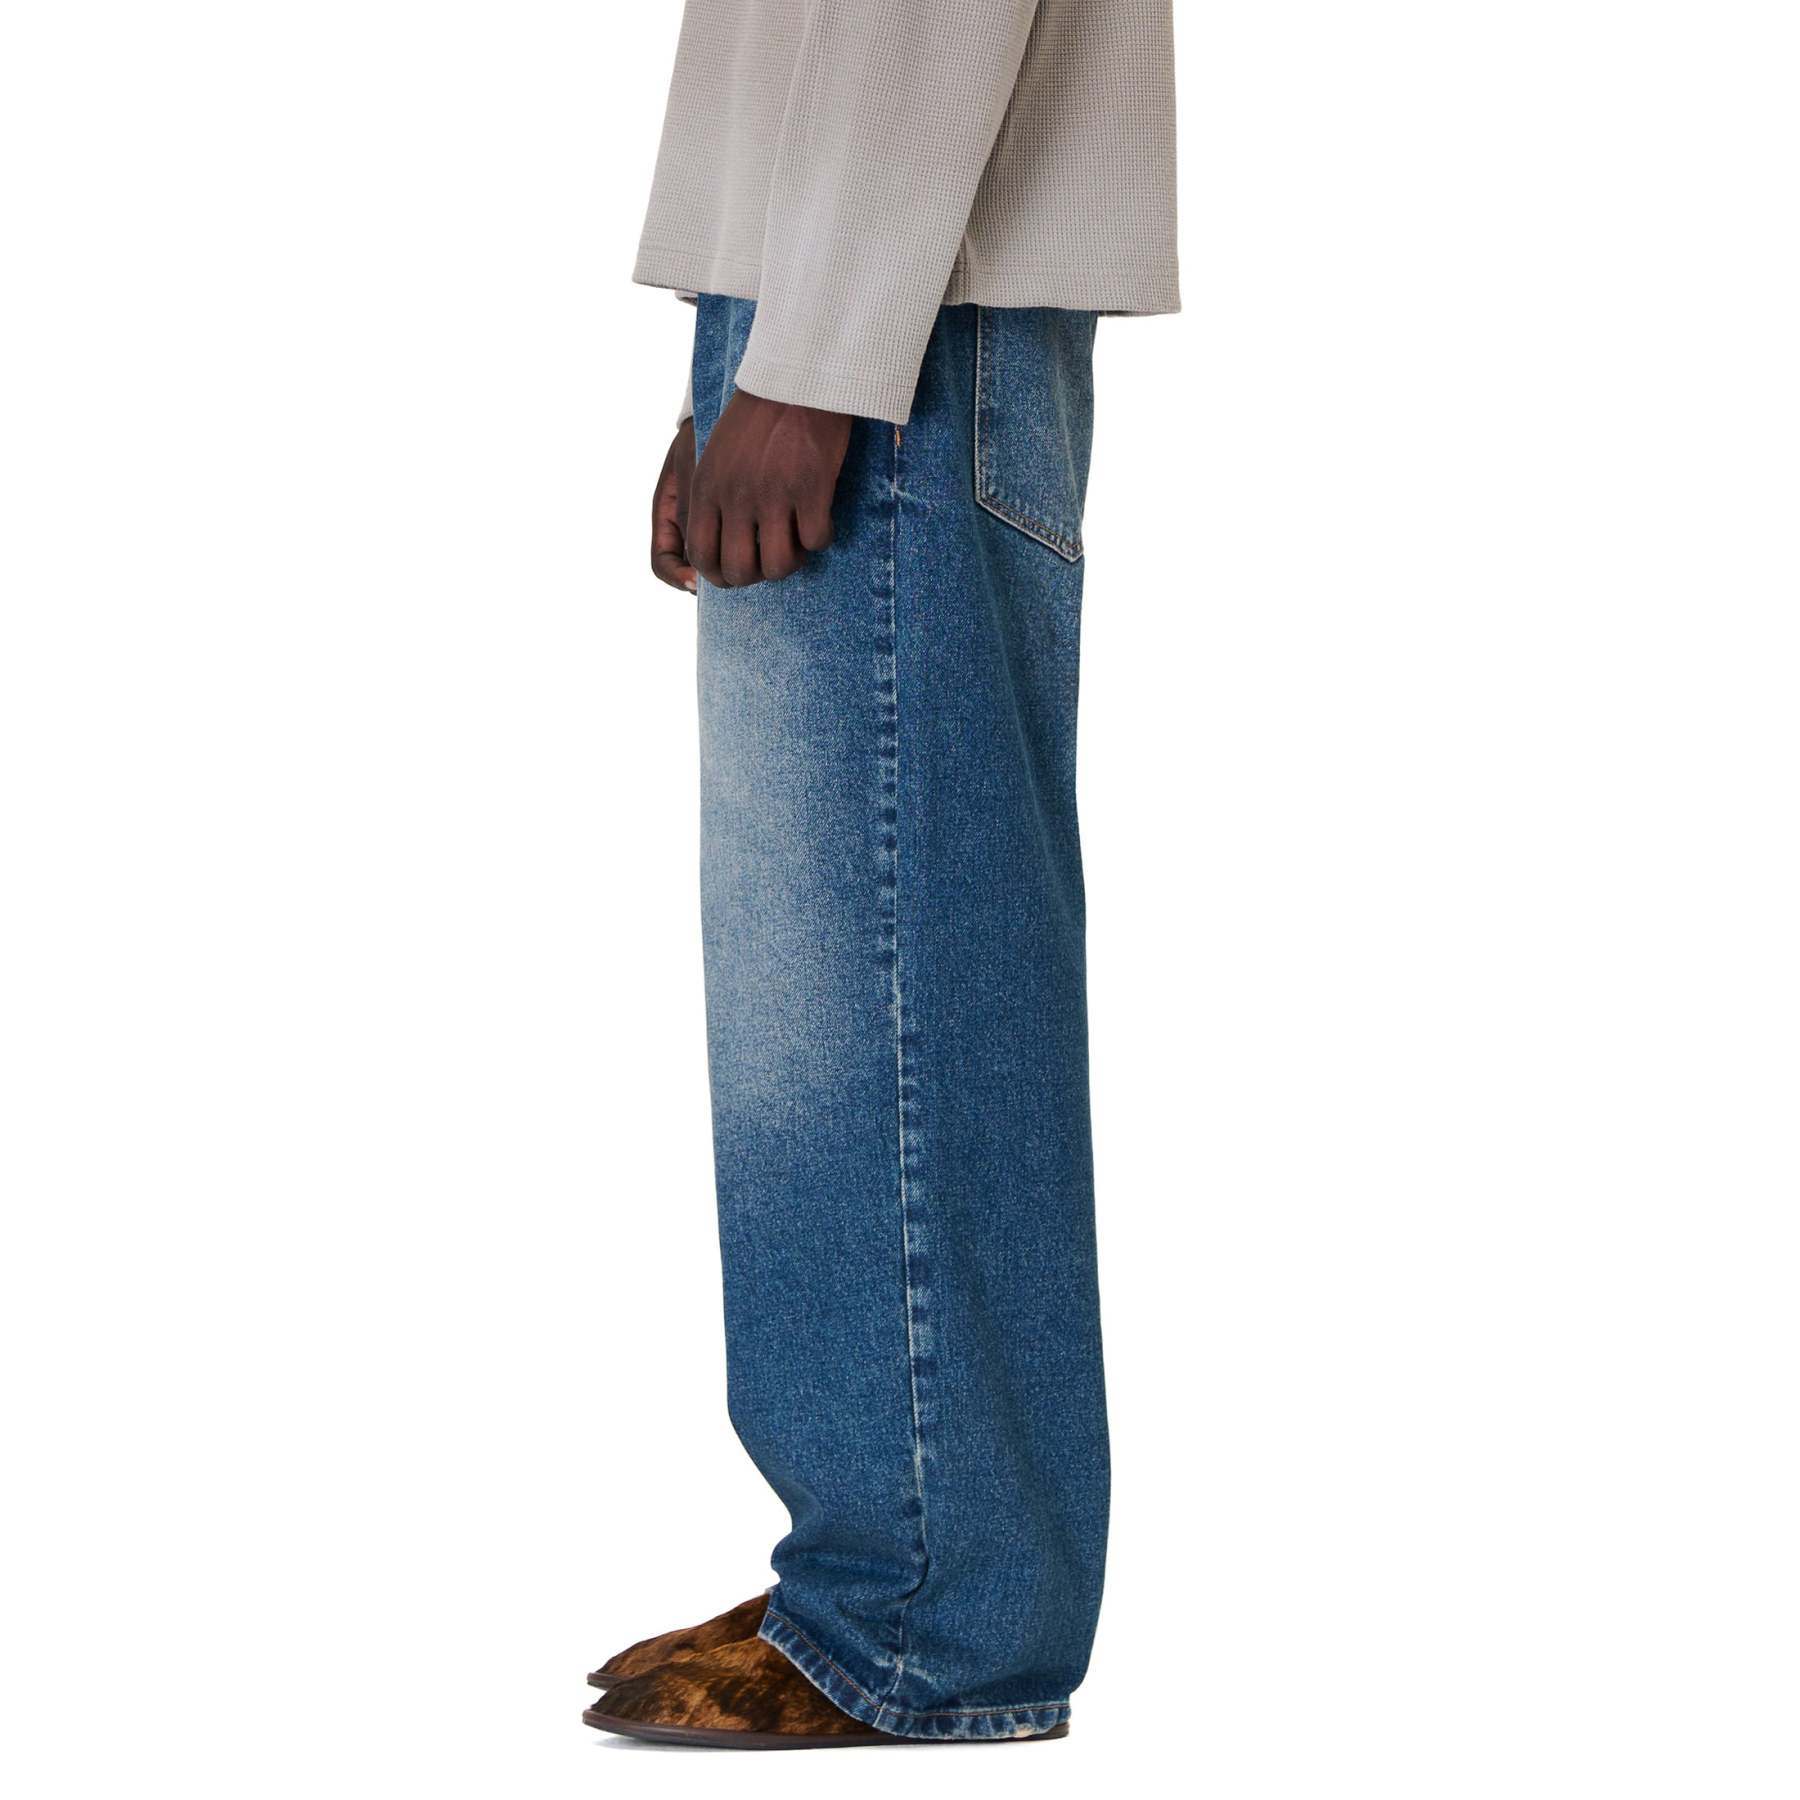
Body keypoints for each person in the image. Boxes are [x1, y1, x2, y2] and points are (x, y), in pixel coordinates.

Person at [583, 1, 1179, 1750]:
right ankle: (899, 1568)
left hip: (895, 312)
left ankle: (920, 1610)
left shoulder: (851, 337)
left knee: (882, 982)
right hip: (861, 289)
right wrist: (750, 352)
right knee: (867, 966)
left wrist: (812, 361)